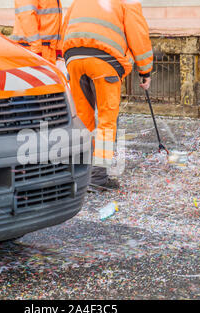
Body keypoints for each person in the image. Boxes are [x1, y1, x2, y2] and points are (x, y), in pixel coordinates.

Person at [61, 0, 153, 188]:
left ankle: (81, 174)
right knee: (106, 121)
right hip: (105, 62)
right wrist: (145, 71)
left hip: (74, 58)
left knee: (82, 119)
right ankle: (97, 178)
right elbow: (138, 35)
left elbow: (65, 28)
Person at [11, 0, 63, 64]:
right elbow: (27, 16)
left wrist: (58, 47)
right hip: (32, 49)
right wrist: (36, 49)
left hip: (47, 49)